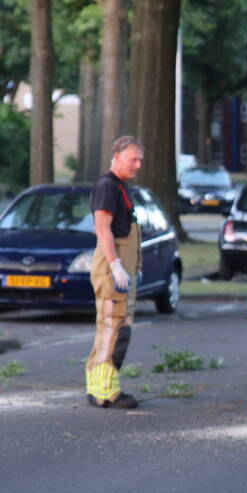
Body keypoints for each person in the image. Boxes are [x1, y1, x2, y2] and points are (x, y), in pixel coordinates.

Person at [85, 136, 144, 408]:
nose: (138, 165)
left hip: (123, 269)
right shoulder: (107, 185)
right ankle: (105, 391)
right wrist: (116, 264)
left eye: (140, 159)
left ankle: (100, 385)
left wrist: (135, 267)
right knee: (112, 329)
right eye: (133, 159)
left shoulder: (120, 186)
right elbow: (103, 228)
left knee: (117, 328)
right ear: (117, 156)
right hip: (113, 271)